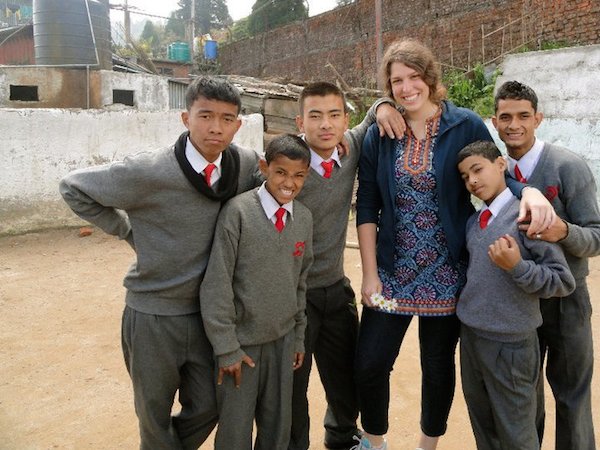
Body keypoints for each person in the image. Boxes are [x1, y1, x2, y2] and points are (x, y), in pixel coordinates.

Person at [353, 38, 555, 450]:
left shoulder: (462, 124)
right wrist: (370, 274)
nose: (407, 88)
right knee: (371, 363)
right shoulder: (380, 132)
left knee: (438, 366)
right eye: (396, 82)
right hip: (393, 270)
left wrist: (528, 191)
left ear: (429, 78)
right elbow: (368, 205)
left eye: (413, 77)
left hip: (447, 270)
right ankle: (373, 442)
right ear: (387, 88)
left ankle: (428, 445)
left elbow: (494, 170)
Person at [59, 76, 262, 450]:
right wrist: (127, 231)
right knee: (152, 413)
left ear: (238, 124)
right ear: (186, 118)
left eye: (226, 118)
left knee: (209, 405)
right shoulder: (149, 170)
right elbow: (74, 187)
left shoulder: (245, 164)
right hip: (153, 315)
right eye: (205, 116)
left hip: (208, 317)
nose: (215, 127)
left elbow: (275, 184)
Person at [289, 82, 401, 450]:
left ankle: (340, 438)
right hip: (293, 298)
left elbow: (374, 114)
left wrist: (383, 104)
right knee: (293, 385)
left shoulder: (350, 148)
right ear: (299, 122)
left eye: (334, 115)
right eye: (315, 116)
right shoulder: (286, 166)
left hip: (336, 290)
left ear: (344, 119)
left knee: (345, 379)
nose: (325, 124)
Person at [493, 80, 600, 450]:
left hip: (567, 299)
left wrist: (562, 231)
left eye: (523, 115)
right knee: (524, 397)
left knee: (572, 394)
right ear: (494, 122)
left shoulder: (567, 166)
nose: (514, 125)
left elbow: (596, 237)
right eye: (505, 117)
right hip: (519, 299)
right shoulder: (495, 172)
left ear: (538, 118)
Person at [456, 140, 575, 450]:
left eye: (478, 169)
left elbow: (562, 281)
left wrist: (518, 267)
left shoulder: (526, 217)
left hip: (511, 344)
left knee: (518, 434)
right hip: (472, 337)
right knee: (484, 428)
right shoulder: (475, 221)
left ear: (501, 165)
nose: (473, 181)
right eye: (465, 176)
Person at [200, 134, 314, 450]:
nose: (289, 182)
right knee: (235, 432)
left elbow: (300, 283)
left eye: (298, 175)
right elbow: (217, 284)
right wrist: (226, 348)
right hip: (242, 348)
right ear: (265, 168)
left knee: (277, 429)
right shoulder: (237, 213)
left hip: (283, 344)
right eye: (281, 172)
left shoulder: (303, 219)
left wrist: (298, 337)